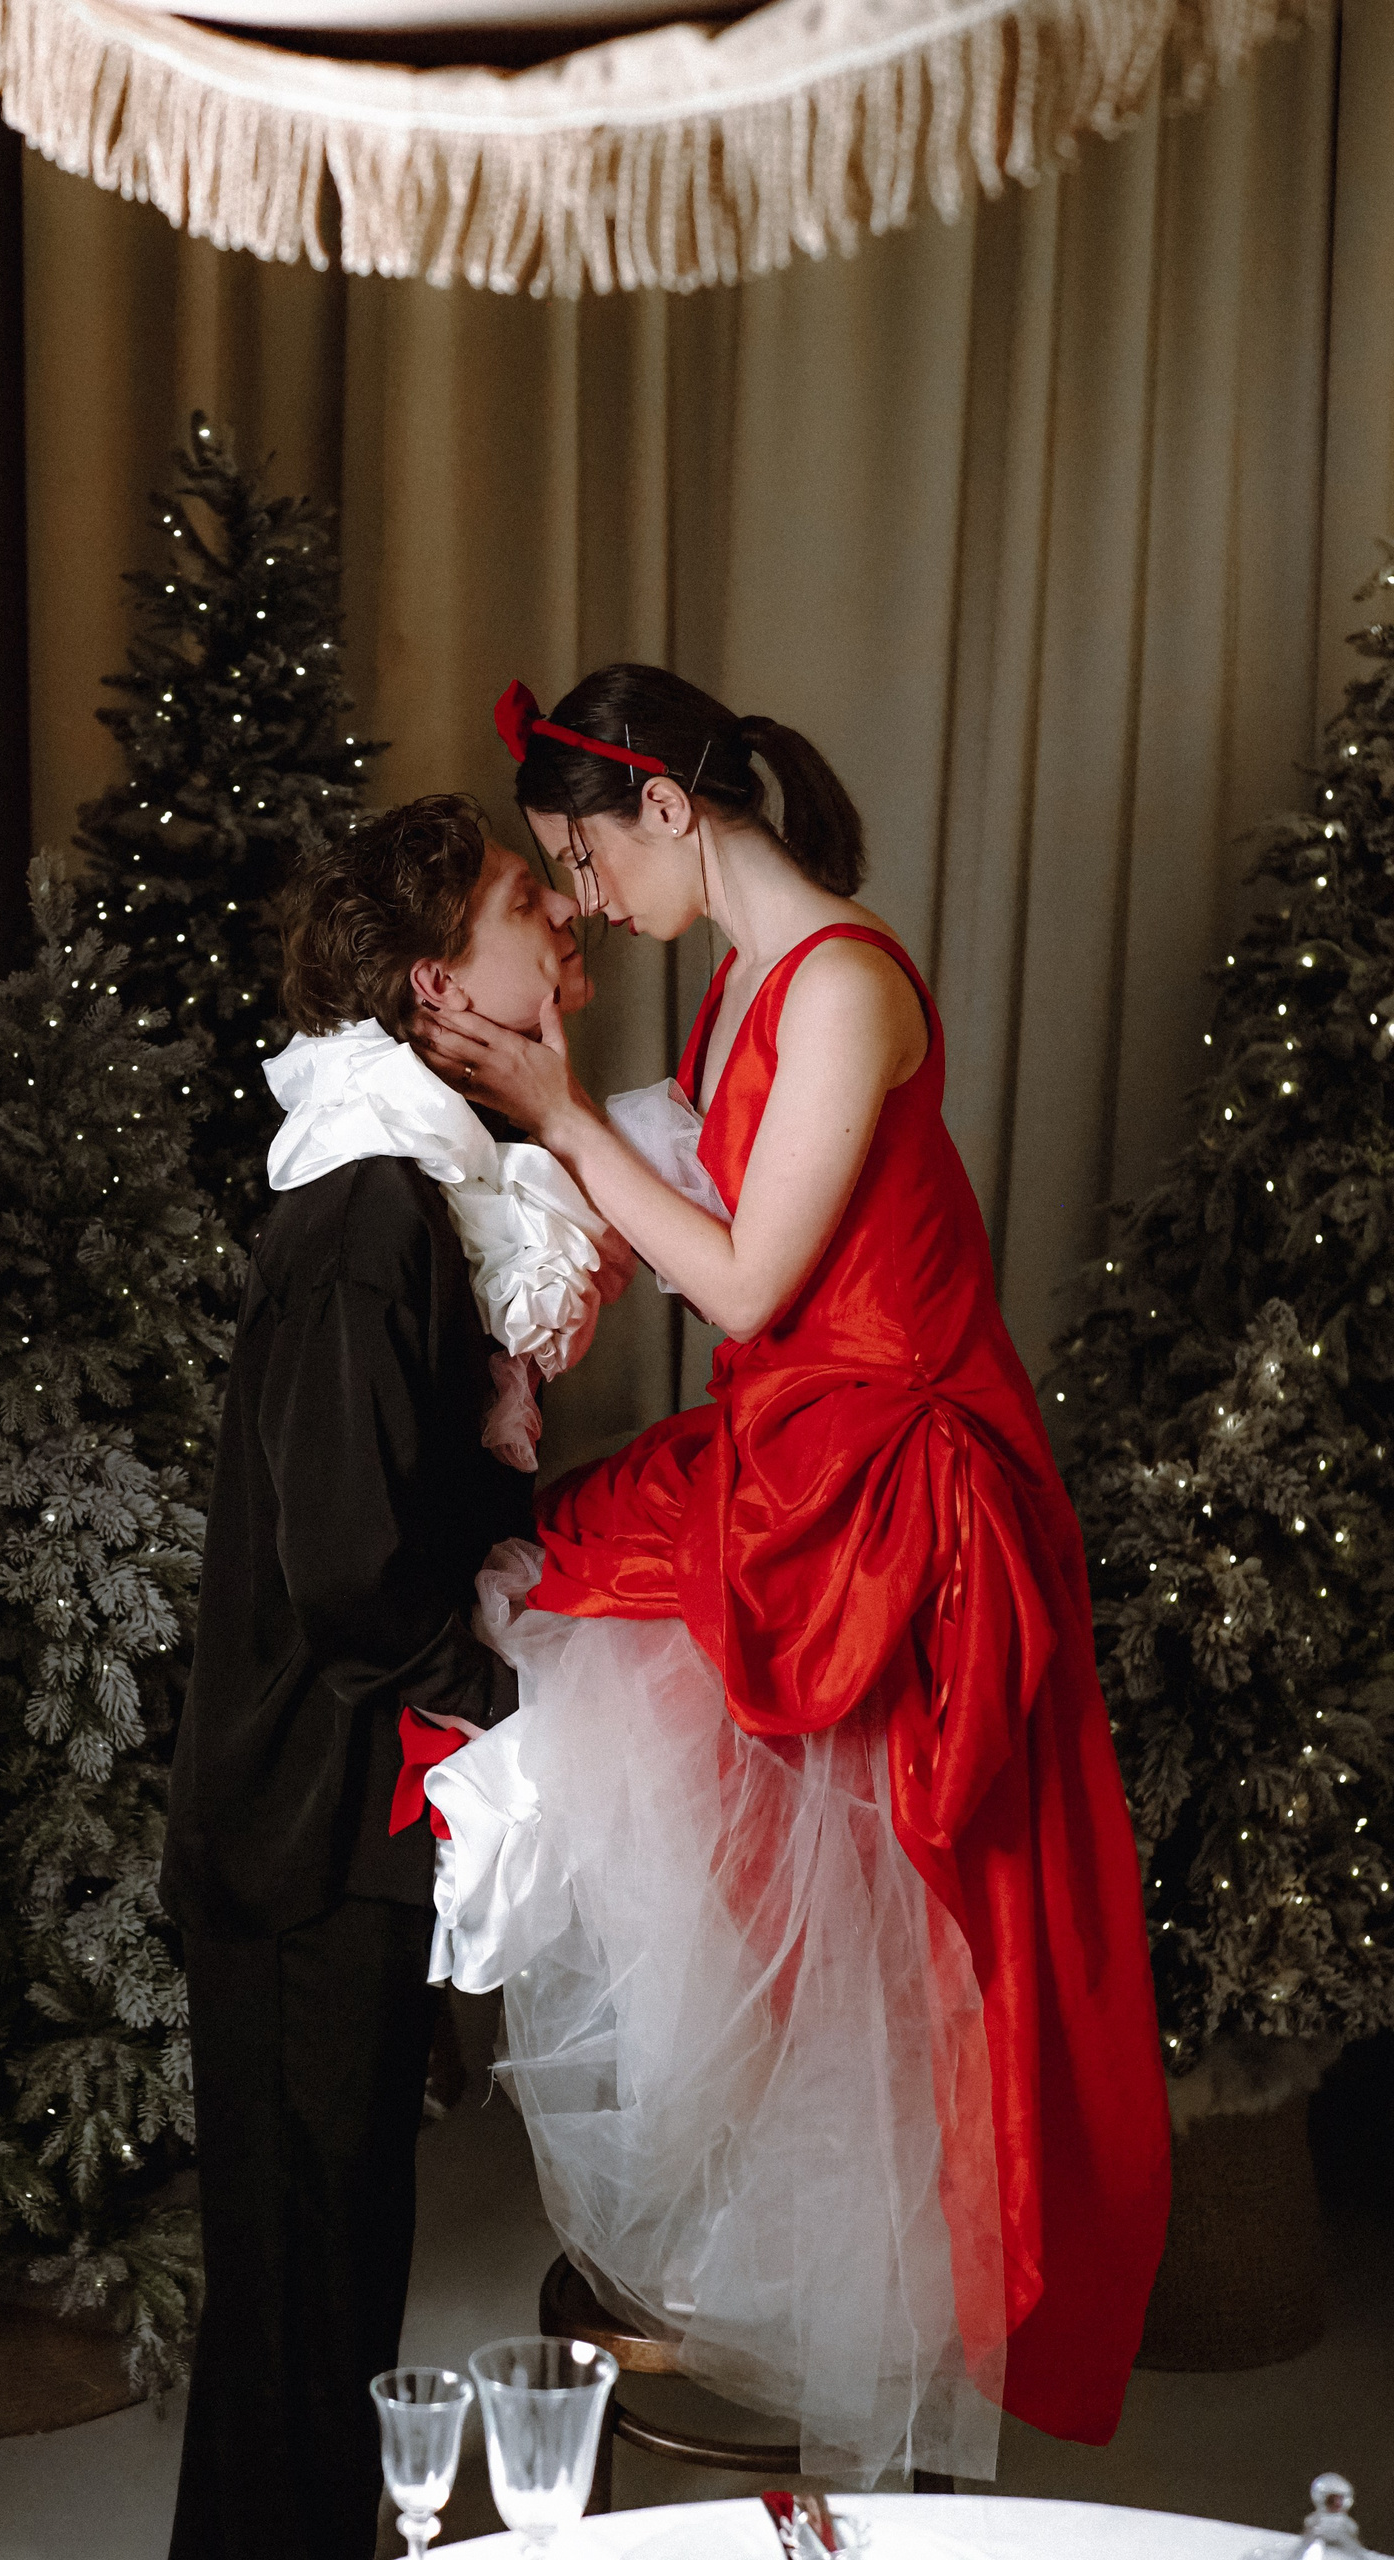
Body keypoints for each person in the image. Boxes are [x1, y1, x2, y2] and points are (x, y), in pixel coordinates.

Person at [414, 668, 1171, 2485]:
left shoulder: (840, 983)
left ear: (669, 811)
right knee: (697, 1797)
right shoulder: (750, 977)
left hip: (897, 1485)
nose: (584, 898)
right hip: (792, 1453)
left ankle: (846, 2323)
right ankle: (736, 2256)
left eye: (582, 855)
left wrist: (564, 1114)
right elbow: (696, 1212)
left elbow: (750, 1283)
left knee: (880, 1930)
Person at [160, 794, 619, 2560]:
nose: (555, 924)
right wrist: (505, 1669)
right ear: (436, 981)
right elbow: (349, 1569)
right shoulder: (366, 1205)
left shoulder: (415, 1186)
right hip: (300, 1841)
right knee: (299, 2322)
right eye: (519, 907)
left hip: (339, 1827)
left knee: (328, 2301)